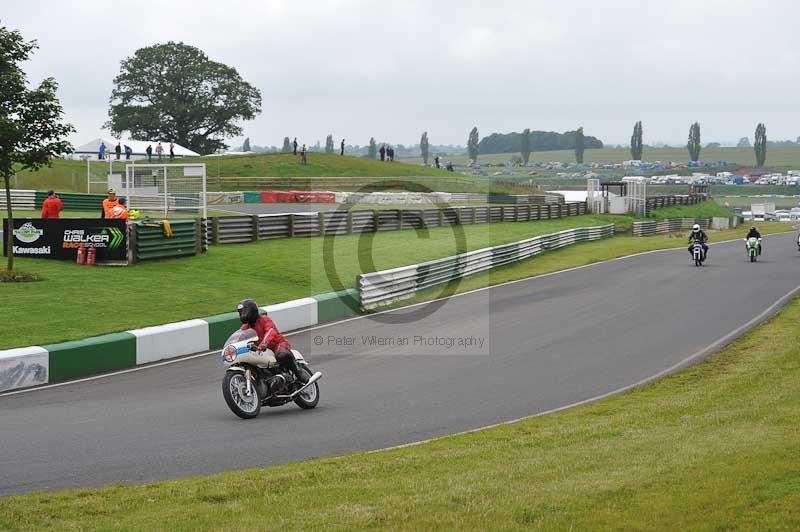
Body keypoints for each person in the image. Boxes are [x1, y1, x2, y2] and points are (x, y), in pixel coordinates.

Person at [237, 299, 308, 383]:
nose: (243, 314)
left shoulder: (264, 319)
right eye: (241, 312)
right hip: (260, 350)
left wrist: (264, 343)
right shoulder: (245, 328)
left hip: (277, 345)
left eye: (245, 312)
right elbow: (239, 339)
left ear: (252, 311)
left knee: (282, 355)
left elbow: (271, 331)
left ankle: (298, 372)